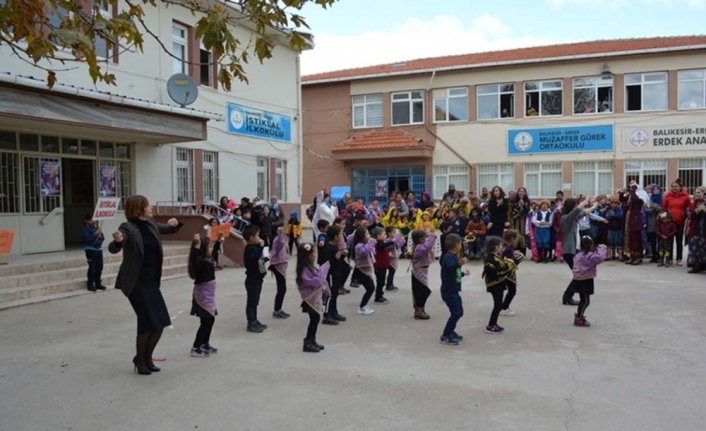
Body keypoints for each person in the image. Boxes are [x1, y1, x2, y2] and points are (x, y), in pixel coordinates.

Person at [108, 195, 183, 375]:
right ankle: (140, 359)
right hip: (136, 282)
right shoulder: (128, 227)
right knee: (146, 321)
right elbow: (118, 243)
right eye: (148, 206)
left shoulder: (151, 224)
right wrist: (117, 241)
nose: (151, 208)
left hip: (151, 281)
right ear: (139, 209)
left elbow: (169, 229)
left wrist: (175, 223)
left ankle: (147, 357)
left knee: (161, 321)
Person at [560, 197, 597, 306]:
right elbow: (577, 211)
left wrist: (594, 206)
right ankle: (567, 296)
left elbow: (584, 212)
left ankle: (567, 296)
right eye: (575, 205)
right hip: (568, 250)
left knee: (578, 274)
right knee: (579, 275)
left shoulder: (574, 218)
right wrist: (585, 200)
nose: (577, 207)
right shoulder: (565, 218)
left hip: (574, 250)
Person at [296, 243, 331, 353]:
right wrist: (323, 270)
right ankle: (307, 343)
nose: (315, 255)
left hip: (315, 298)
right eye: (313, 253)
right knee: (314, 319)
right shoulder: (304, 270)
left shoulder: (310, 267)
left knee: (315, 319)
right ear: (307, 255)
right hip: (309, 300)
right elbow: (317, 281)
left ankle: (312, 340)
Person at [188, 234, 218, 358]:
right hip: (202, 295)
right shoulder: (199, 262)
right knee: (206, 321)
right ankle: (196, 347)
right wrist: (196, 245)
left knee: (210, 319)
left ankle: (204, 343)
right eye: (209, 247)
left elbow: (215, 254)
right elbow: (194, 261)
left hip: (209, 294)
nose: (211, 249)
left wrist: (219, 242)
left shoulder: (208, 259)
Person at [439, 233, 470, 345]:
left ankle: (450, 331)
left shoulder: (454, 256)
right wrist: (458, 264)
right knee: (456, 313)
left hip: (454, 290)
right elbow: (450, 267)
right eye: (461, 243)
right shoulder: (448, 257)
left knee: (459, 312)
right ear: (457, 245)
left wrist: (463, 274)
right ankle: (446, 334)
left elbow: (453, 272)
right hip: (449, 291)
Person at [482, 236, 516, 334]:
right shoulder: (491, 259)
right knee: (498, 305)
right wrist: (511, 265)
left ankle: (494, 323)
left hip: (498, 285)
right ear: (496, 247)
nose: (502, 247)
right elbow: (498, 272)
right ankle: (491, 325)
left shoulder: (495, 257)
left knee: (498, 305)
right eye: (501, 245)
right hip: (495, 285)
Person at [570, 236, 607, 327]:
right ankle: (579, 317)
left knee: (583, 299)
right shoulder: (589, 256)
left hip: (578, 279)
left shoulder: (579, 255)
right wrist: (601, 248)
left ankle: (579, 316)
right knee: (585, 301)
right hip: (586, 280)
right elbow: (600, 258)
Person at [242, 224, 269, 333]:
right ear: (251, 238)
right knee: (251, 302)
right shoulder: (249, 249)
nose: (259, 238)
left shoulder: (255, 248)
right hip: (252, 279)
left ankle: (255, 319)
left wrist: (266, 257)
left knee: (256, 301)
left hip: (258, 278)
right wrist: (261, 247)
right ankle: (251, 322)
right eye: (257, 236)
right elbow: (255, 258)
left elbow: (260, 259)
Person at [319, 225, 347, 324]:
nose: (341, 236)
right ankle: (326, 315)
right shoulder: (328, 248)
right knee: (330, 295)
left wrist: (342, 255)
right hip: (330, 275)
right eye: (340, 234)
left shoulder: (335, 247)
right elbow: (324, 263)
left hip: (336, 274)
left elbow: (337, 260)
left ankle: (333, 312)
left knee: (335, 294)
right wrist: (335, 258)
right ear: (335, 237)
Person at [662, 179, 690, 266]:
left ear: (680, 187)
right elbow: (664, 207)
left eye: (676, 186)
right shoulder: (668, 196)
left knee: (679, 241)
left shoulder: (685, 196)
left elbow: (688, 207)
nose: (674, 188)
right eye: (673, 186)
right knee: (669, 240)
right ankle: (669, 258)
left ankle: (679, 258)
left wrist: (684, 214)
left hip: (680, 222)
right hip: (670, 222)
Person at [619, 182, 648, 265]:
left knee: (636, 238)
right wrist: (621, 192)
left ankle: (638, 256)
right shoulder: (630, 195)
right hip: (629, 218)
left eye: (633, 187)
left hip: (637, 219)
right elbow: (622, 199)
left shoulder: (640, 196)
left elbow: (635, 199)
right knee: (630, 237)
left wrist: (634, 189)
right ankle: (632, 255)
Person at [411, 229, 437, 320]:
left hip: (422, 271)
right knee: (422, 292)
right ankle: (418, 310)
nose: (426, 239)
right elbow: (428, 246)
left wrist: (427, 232)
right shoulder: (419, 247)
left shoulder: (419, 246)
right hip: (419, 273)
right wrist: (432, 236)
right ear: (421, 239)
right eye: (424, 237)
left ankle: (421, 309)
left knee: (423, 292)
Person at [351, 226, 376, 315]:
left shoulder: (365, 244)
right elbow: (364, 252)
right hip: (361, 269)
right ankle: (362, 306)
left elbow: (372, 252)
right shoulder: (359, 246)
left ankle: (364, 305)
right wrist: (370, 244)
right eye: (367, 234)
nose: (369, 236)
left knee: (370, 288)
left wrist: (372, 245)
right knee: (370, 288)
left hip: (366, 268)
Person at [500, 230, 524, 316]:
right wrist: (519, 258)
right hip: (508, 274)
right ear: (512, 239)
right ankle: (504, 308)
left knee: (509, 290)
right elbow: (511, 262)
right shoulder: (508, 249)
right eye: (516, 239)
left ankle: (503, 306)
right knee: (512, 291)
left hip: (505, 272)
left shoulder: (504, 247)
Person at [269, 227, 291, 319]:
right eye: (282, 230)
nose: (284, 231)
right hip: (278, 266)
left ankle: (278, 309)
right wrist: (281, 233)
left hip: (281, 266)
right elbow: (281, 243)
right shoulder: (278, 240)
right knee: (282, 289)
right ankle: (277, 310)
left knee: (282, 289)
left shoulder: (278, 239)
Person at [82, 213, 106, 292]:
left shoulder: (96, 227)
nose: (93, 221)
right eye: (91, 220)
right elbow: (87, 239)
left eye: (94, 219)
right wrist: (95, 234)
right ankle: (90, 284)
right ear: (87, 221)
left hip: (98, 250)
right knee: (92, 267)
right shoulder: (85, 229)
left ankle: (98, 283)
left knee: (99, 267)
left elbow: (102, 237)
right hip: (90, 250)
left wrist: (99, 238)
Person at [686, 187, 706, 273]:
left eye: (700, 192)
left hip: (704, 229)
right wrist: (698, 210)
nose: (697, 194)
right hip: (697, 229)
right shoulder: (694, 204)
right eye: (696, 192)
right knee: (696, 248)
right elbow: (691, 216)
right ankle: (696, 266)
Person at [646, 186, 663, 263]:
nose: (656, 191)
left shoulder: (662, 199)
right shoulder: (649, 199)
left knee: (660, 241)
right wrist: (652, 209)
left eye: (657, 189)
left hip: (660, 222)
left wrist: (657, 208)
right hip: (651, 223)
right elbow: (645, 209)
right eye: (654, 189)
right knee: (652, 241)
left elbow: (664, 208)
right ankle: (653, 255)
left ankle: (660, 256)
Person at [385, 226, 405, 292]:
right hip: (390, 259)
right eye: (394, 232)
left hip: (394, 257)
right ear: (389, 233)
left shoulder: (394, 239)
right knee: (391, 272)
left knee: (393, 272)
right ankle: (388, 285)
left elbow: (399, 244)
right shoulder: (388, 240)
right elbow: (386, 248)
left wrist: (402, 239)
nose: (395, 234)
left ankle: (391, 284)